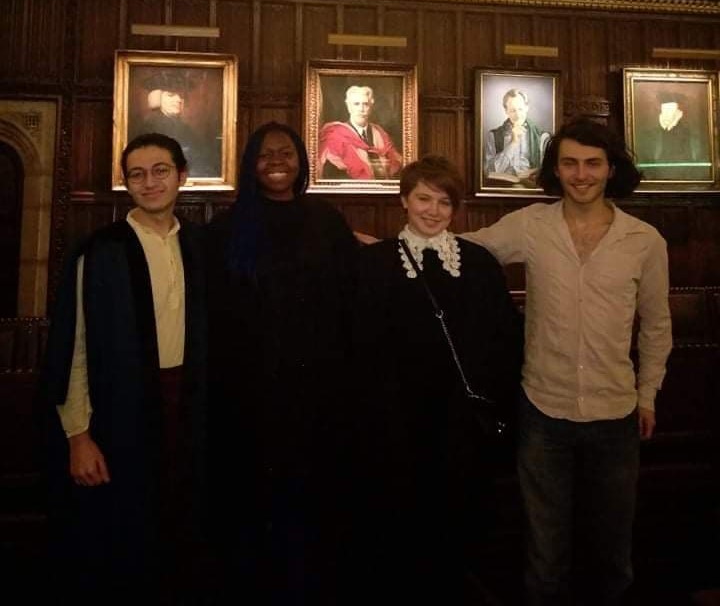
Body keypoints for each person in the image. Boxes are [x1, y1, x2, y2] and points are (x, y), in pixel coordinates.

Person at [464, 117, 673, 605]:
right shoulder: (531, 225)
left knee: (611, 555)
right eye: (570, 163)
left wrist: (648, 396)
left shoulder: (644, 241)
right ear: (555, 170)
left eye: (593, 164)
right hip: (542, 413)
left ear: (611, 169)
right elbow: (467, 250)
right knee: (545, 556)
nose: (581, 174)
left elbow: (658, 327)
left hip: (616, 414)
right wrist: (394, 246)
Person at [346, 155, 524, 605]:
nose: (432, 210)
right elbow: (361, 345)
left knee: (462, 525)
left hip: (462, 425)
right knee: (401, 526)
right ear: (404, 200)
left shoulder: (479, 263)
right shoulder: (376, 263)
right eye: (423, 198)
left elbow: (503, 339)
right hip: (397, 425)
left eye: (444, 202)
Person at [42, 133, 208, 604]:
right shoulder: (99, 251)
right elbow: (72, 346)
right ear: (125, 183)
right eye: (137, 173)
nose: (149, 182)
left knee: (183, 535)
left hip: (188, 409)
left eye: (160, 170)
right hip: (121, 418)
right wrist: (78, 435)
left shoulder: (200, 247)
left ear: (181, 176)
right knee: (125, 543)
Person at [205, 121, 359, 604]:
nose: (276, 160)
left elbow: (351, 295)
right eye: (265, 154)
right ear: (251, 163)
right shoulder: (226, 228)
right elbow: (213, 311)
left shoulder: (327, 219)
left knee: (311, 497)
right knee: (251, 500)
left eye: (286, 152)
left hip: (318, 389)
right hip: (248, 391)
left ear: (301, 161)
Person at [138, 70, 221, 178]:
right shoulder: (150, 126)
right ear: (157, 100)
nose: (178, 100)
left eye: (181, 96)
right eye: (171, 95)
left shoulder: (184, 128)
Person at [318, 84, 403, 180]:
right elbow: (332, 174)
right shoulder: (335, 135)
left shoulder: (379, 133)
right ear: (348, 106)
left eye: (365, 104)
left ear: (371, 106)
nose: (361, 109)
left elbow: (394, 161)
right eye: (356, 104)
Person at [636, 90, 708, 180]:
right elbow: (644, 166)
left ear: (679, 113)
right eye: (665, 111)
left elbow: (700, 167)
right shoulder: (649, 137)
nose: (667, 115)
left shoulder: (693, 137)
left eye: (671, 111)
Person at [485, 88, 551, 183]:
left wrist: (534, 171)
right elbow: (489, 171)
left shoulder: (542, 137)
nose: (518, 115)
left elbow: (549, 169)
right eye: (513, 110)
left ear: (527, 108)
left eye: (520, 109)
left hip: (532, 185)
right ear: (506, 111)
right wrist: (513, 142)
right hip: (502, 185)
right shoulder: (493, 135)